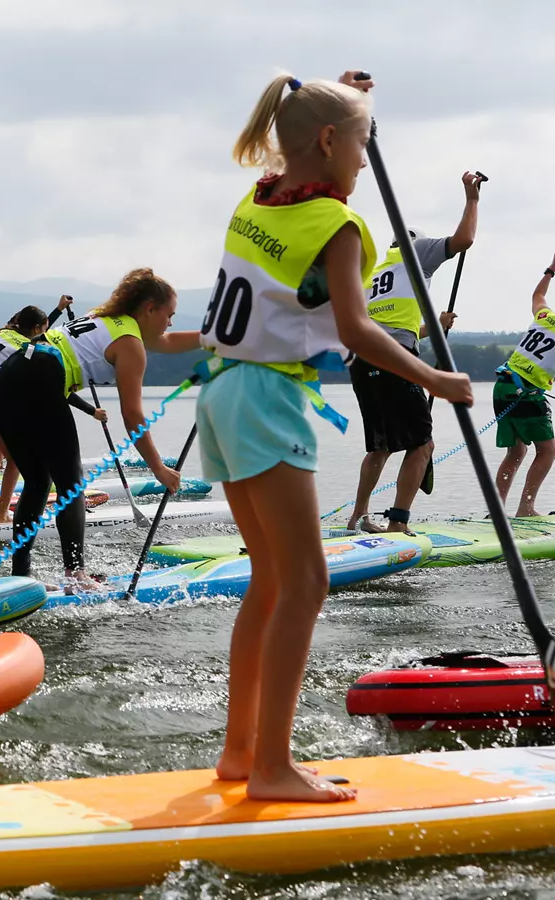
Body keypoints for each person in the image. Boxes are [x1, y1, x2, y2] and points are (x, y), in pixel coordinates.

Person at [197, 71, 471, 803]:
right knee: (308, 581)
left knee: (270, 578)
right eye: (360, 143)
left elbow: (293, 159)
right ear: (327, 141)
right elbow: (357, 331)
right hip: (268, 396)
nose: (364, 158)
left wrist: (340, 102)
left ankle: (240, 751)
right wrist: (437, 380)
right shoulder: (340, 227)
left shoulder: (254, 199)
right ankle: (273, 768)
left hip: (218, 391)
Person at [0, 270, 193, 593]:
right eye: (170, 315)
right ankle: (75, 574)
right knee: (70, 485)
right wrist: (158, 469)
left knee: (39, 481)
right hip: (40, 380)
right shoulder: (130, 345)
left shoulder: (105, 316)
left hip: (6, 379)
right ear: (149, 309)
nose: (170, 323)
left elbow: (164, 341)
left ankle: (21, 574)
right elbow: (133, 415)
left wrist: (216, 341)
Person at [345, 173, 481, 532]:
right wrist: (472, 200)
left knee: (380, 447)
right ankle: (398, 524)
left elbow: (387, 326)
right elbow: (464, 240)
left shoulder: (373, 270)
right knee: (423, 444)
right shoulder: (416, 250)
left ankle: (358, 516)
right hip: (394, 364)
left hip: (362, 362)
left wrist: (433, 326)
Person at [0, 296, 74, 525]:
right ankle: (2, 514)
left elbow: (34, 325)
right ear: (37, 328)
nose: (43, 334)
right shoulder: (25, 348)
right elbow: (41, 343)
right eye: (42, 329)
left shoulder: (3, 333)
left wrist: (57, 310)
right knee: (15, 458)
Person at [493, 256, 555, 516]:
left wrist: (551, 271)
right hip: (525, 395)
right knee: (548, 451)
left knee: (515, 451)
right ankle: (526, 507)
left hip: (502, 387)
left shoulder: (545, 316)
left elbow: (538, 294)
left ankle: (497, 509)